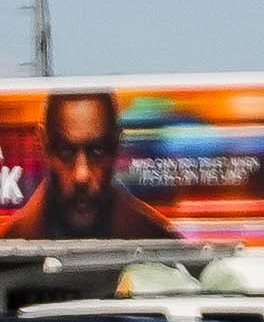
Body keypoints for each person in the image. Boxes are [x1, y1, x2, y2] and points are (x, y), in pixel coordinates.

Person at [4, 89, 180, 241]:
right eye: (66, 152)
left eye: (97, 152)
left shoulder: (158, 241)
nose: (82, 175)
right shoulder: (8, 247)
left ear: (117, 145)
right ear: (43, 144)